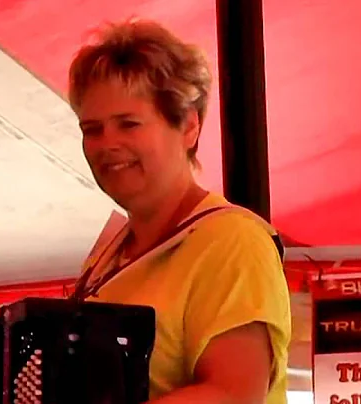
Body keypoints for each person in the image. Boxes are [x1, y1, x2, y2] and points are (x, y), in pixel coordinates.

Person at [68, 19, 292, 403]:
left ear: (189, 126)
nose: (108, 144)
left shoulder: (232, 242)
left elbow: (233, 395)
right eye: (92, 129)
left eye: (129, 124)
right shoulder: (108, 254)